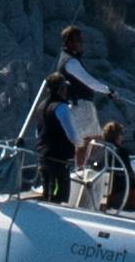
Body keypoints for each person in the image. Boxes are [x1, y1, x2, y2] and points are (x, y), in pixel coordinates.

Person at [30, 26, 112, 205]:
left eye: (82, 40)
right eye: (78, 40)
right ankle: (80, 170)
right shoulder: (70, 62)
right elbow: (87, 80)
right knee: (85, 140)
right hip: (79, 105)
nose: (82, 43)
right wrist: (107, 91)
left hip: (81, 107)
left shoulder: (45, 106)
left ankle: (80, 168)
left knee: (94, 139)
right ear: (69, 42)